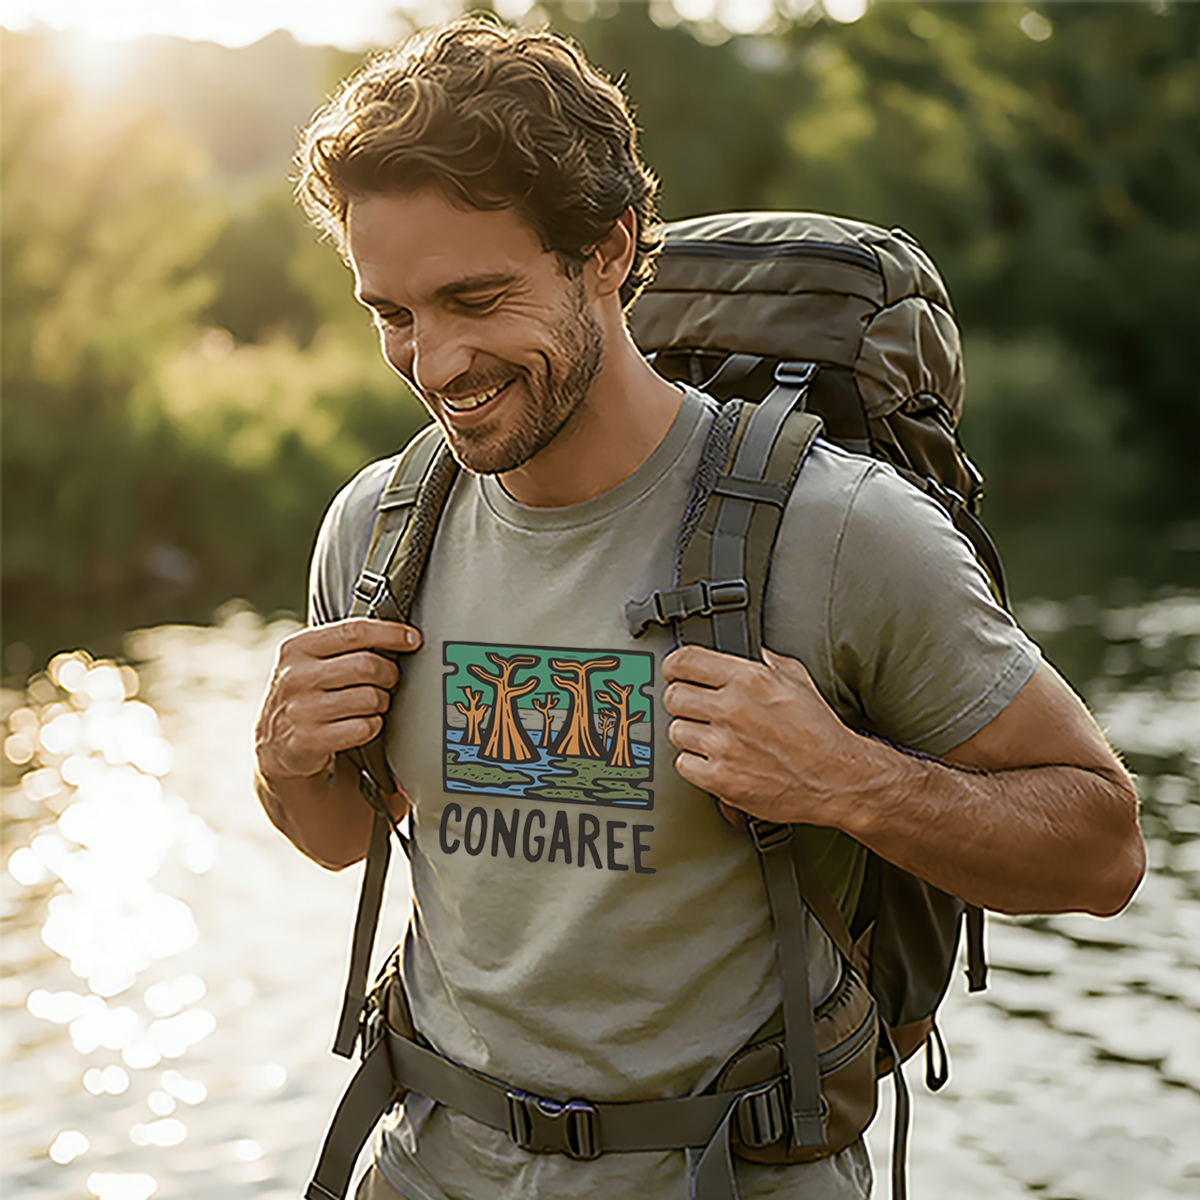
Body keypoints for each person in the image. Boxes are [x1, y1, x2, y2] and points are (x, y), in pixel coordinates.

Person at [254, 17, 1145, 1200]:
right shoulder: (377, 529)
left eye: (477, 296)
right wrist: (282, 763)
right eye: (394, 314)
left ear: (608, 249)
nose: (436, 362)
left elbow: (1103, 848)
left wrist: (848, 780)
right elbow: (338, 838)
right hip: (426, 1170)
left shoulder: (841, 532)